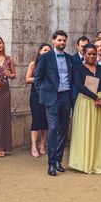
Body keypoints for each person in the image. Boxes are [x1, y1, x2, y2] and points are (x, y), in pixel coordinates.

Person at [69, 44, 101, 174]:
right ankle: (84, 162)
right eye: (89, 54)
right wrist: (95, 97)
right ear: (84, 54)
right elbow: (78, 85)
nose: (92, 56)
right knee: (86, 132)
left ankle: (100, 162)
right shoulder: (78, 68)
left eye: (94, 54)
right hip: (87, 103)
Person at [33, 30, 73, 177]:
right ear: (54, 41)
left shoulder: (69, 58)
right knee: (53, 128)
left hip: (66, 97)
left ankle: (58, 161)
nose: (62, 43)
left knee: (63, 129)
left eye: (64, 40)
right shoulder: (46, 57)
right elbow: (37, 78)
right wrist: (44, 94)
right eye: (59, 40)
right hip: (52, 99)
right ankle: (51, 164)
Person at [25, 43, 51, 157]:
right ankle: (34, 145)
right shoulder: (33, 64)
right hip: (36, 95)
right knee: (36, 119)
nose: (47, 52)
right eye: (45, 50)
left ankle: (42, 144)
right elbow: (27, 79)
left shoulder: (51, 65)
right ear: (40, 51)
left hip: (48, 95)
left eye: (49, 51)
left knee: (45, 120)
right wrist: (39, 78)